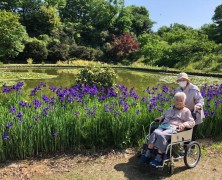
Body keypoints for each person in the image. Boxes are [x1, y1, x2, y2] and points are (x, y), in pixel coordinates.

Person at [140, 92, 195, 167]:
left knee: (161, 135)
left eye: (181, 100)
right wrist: (160, 118)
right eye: (176, 99)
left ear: (184, 102)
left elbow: (192, 122)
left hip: (174, 128)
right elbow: (164, 116)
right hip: (164, 126)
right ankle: (148, 154)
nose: (178, 102)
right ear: (174, 100)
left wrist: (184, 124)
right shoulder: (170, 109)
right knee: (155, 132)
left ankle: (159, 158)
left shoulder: (186, 111)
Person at [175, 72, 205, 140]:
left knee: (192, 131)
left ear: (187, 80)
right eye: (180, 80)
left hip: (194, 111)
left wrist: (198, 105)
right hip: (183, 112)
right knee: (182, 130)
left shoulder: (194, 89)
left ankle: (192, 147)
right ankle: (181, 145)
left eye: (183, 80)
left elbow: (200, 100)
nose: (182, 81)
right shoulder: (177, 90)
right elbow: (176, 101)